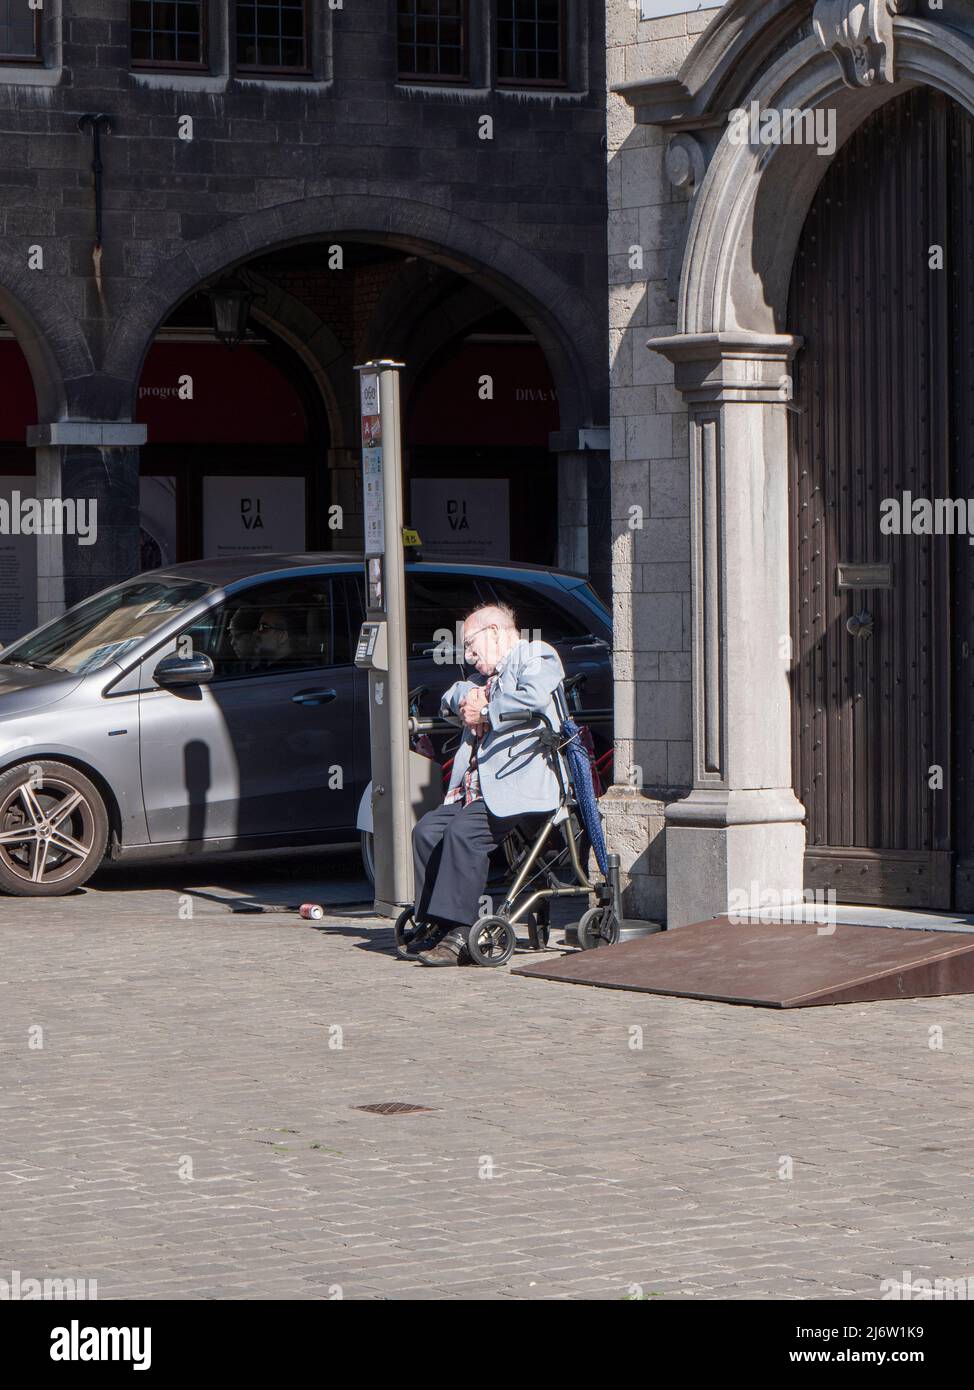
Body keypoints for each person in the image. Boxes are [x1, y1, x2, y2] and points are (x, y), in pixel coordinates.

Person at [408, 602, 567, 967]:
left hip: (517, 784)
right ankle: (436, 919)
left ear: (494, 632)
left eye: (470, 645)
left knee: (465, 833)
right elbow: (452, 695)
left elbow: (534, 695)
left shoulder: (534, 655)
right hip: (474, 791)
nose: (467, 654)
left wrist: (486, 709)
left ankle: (461, 932)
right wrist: (468, 699)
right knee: (427, 831)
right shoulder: (483, 680)